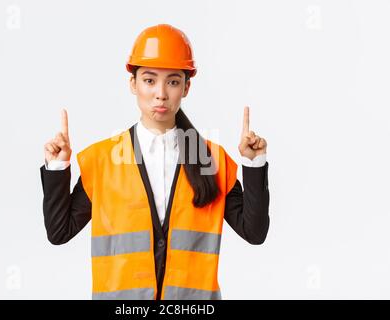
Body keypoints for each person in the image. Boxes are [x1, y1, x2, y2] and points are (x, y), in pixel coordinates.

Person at [40, 24, 270, 300]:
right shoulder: (102, 161)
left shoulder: (213, 161)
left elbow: (254, 232)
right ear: (132, 84)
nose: (161, 93)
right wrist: (57, 168)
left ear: (186, 87)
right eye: (149, 80)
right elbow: (59, 232)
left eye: (173, 81)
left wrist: (254, 165)